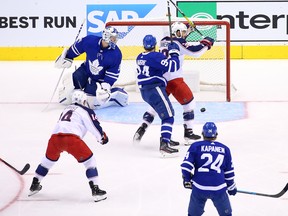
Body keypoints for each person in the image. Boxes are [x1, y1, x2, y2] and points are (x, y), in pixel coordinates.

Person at [133, 22, 215, 146]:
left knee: (156, 106)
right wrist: (206, 44)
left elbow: (181, 40)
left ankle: (143, 126)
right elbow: (195, 52)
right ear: (176, 33)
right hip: (175, 80)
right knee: (189, 103)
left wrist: (187, 28)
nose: (184, 34)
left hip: (161, 80)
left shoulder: (163, 41)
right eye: (182, 32)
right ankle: (188, 133)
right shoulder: (177, 43)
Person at [28, 90, 109, 202]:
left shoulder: (66, 109)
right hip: (71, 140)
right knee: (90, 162)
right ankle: (95, 190)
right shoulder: (85, 110)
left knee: (47, 161)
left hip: (55, 139)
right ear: (84, 100)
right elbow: (93, 125)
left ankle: (34, 184)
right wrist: (102, 137)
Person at [55, 26, 128, 109]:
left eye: (115, 38)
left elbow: (112, 74)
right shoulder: (90, 41)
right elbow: (76, 49)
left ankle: (115, 96)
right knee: (66, 98)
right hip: (85, 70)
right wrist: (67, 57)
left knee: (91, 104)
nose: (115, 40)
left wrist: (106, 87)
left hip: (98, 80)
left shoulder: (116, 54)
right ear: (106, 37)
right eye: (113, 38)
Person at [135, 34, 181, 157]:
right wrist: (174, 52)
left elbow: (157, 67)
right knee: (168, 116)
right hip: (154, 89)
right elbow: (173, 66)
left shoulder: (139, 56)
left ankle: (146, 129)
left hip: (144, 91)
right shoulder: (156, 56)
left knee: (157, 111)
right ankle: (164, 144)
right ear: (155, 45)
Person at [181, 122, 237, 216]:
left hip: (199, 188)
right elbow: (229, 172)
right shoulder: (225, 149)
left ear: (202, 134)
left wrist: (187, 179)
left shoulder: (196, 146)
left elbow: (186, 167)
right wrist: (231, 187)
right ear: (216, 135)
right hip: (218, 189)